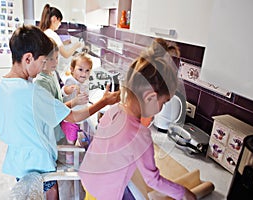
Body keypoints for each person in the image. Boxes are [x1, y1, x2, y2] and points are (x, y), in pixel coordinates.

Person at [0, 25, 120, 200]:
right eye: (42, 62)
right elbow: (74, 116)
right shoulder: (32, 92)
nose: (42, 68)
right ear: (28, 58)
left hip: (18, 160)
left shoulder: (2, 86)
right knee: (51, 191)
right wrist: (104, 101)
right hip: (38, 163)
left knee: (34, 192)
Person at [78, 40, 197, 200]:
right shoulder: (140, 135)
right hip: (105, 194)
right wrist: (184, 193)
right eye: (164, 103)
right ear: (150, 97)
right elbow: (153, 180)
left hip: (89, 178)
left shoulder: (114, 110)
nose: (161, 109)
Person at [33, 39, 88, 143]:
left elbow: (57, 98)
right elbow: (53, 110)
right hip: (50, 135)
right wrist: (75, 102)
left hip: (57, 130)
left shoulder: (52, 74)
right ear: (42, 59)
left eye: (57, 58)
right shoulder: (41, 83)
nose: (56, 62)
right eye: (51, 59)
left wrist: (65, 91)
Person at [61, 51, 93, 163]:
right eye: (80, 69)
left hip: (77, 117)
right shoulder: (71, 81)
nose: (84, 73)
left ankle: (70, 156)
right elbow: (64, 91)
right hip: (70, 119)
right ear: (72, 69)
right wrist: (67, 90)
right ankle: (69, 161)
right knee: (71, 141)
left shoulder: (85, 82)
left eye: (87, 70)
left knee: (74, 139)